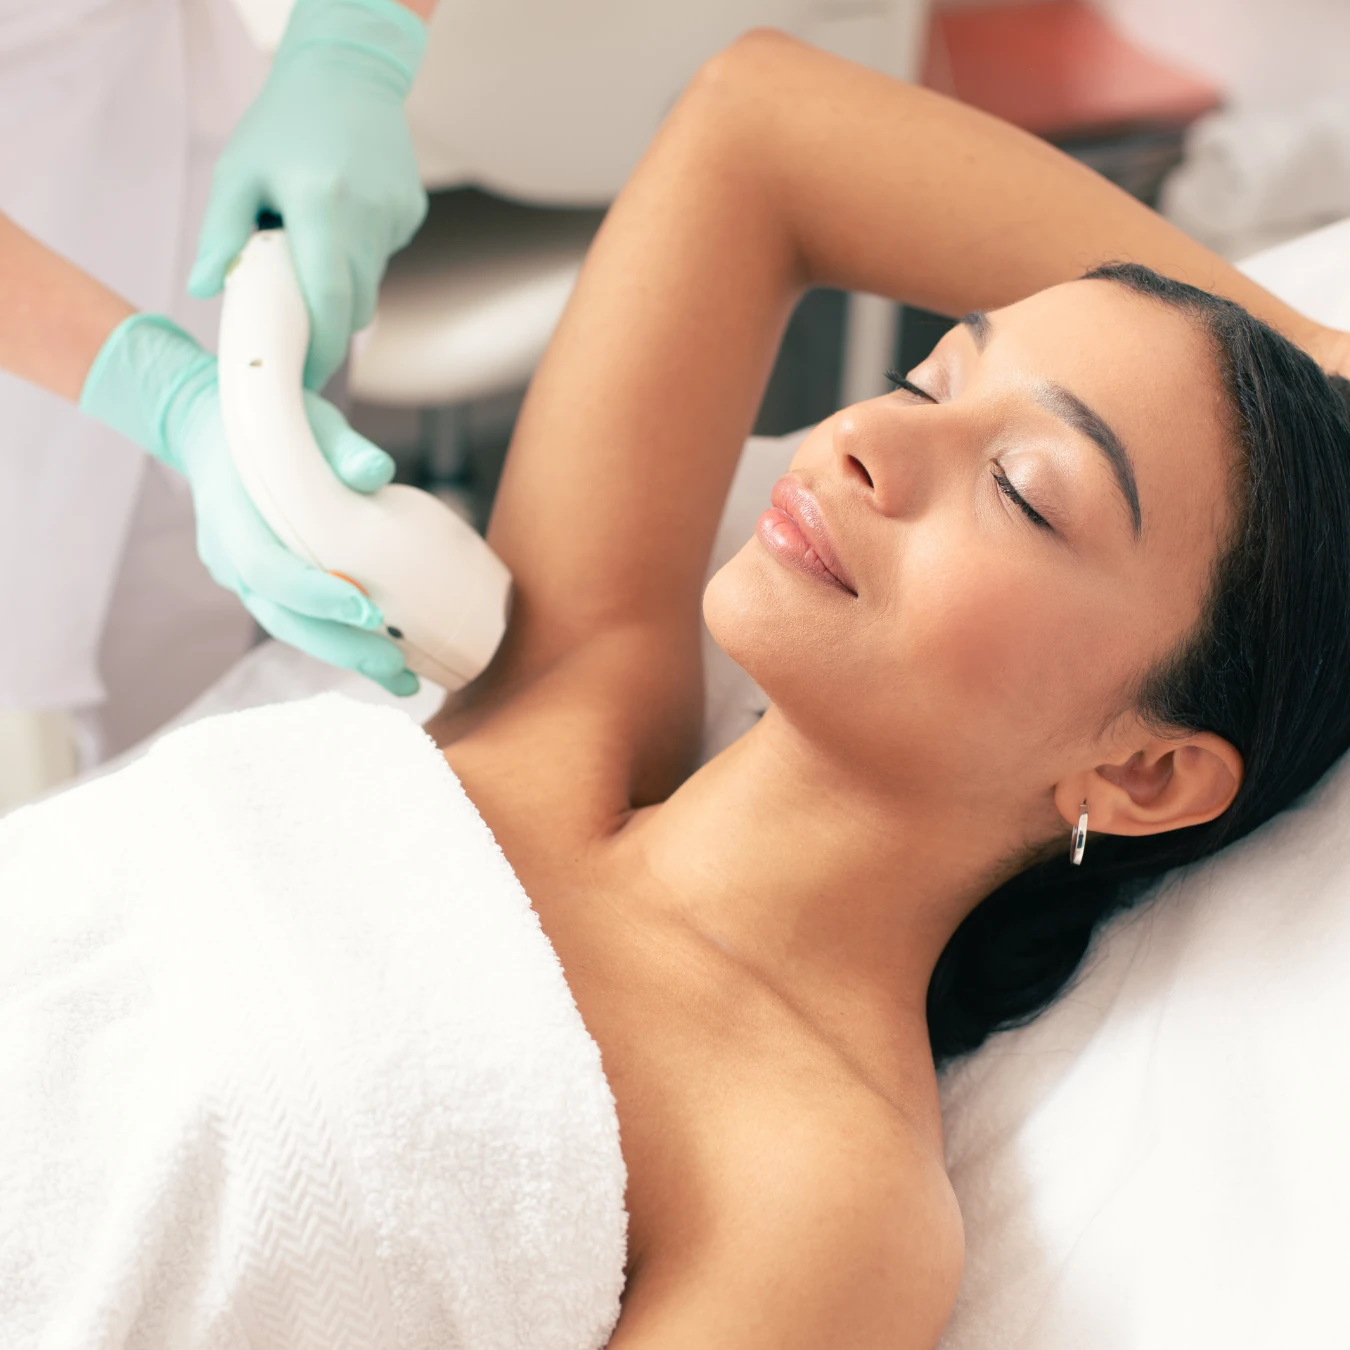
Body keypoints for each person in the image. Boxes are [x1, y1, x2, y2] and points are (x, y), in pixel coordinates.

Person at [7, 29, 1350, 1348]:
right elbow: (761, 126)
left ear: (1141, 772)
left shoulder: (817, 1201)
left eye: (1020, 488)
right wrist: (1306, 345)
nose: (863, 437)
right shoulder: (565, 692)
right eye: (924, 379)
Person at [0, 0, 431, 772]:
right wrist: (163, 395)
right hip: (26, 311)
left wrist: (358, 40)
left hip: (196, 150)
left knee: (196, 688)